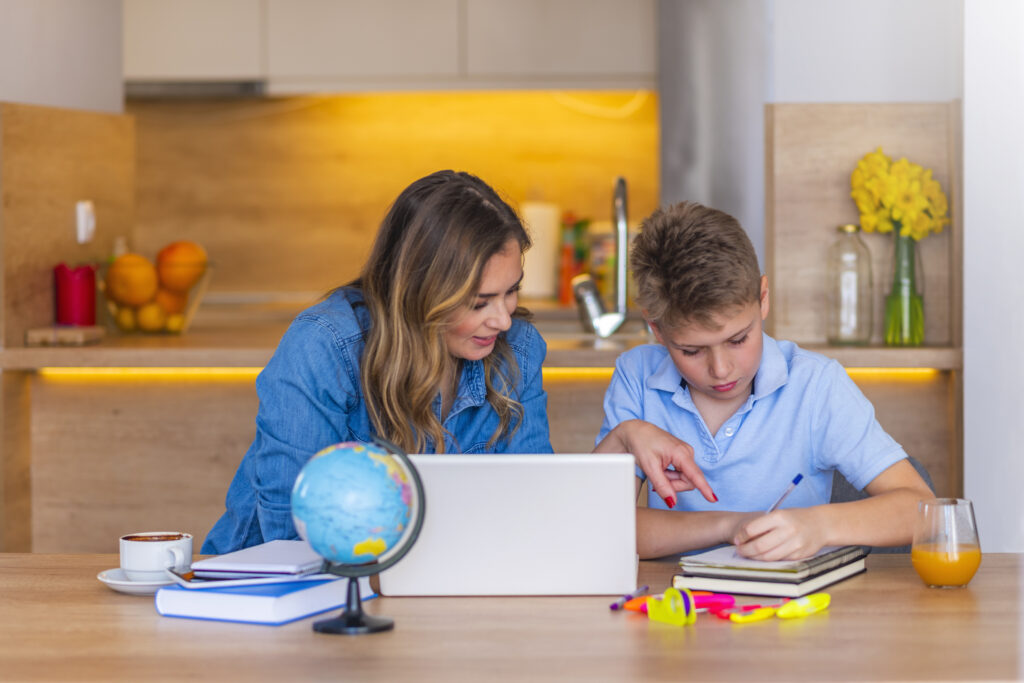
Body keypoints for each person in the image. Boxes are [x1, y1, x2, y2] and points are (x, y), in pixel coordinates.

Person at [202, 170, 552, 554]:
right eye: (479, 302)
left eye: (512, 291)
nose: (503, 320)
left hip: (436, 587)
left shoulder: (518, 349)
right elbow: (291, 537)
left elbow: (532, 506)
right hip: (276, 594)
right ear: (420, 290)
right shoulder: (323, 346)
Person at [595, 201, 933, 561]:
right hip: (674, 607)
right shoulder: (636, 377)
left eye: (739, 339)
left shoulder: (815, 384)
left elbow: (922, 511)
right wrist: (731, 525)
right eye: (692, 351)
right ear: (656, 329)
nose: (722, 369)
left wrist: (818, 526)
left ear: (763, 298)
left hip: (796, 610)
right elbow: (598, 529)